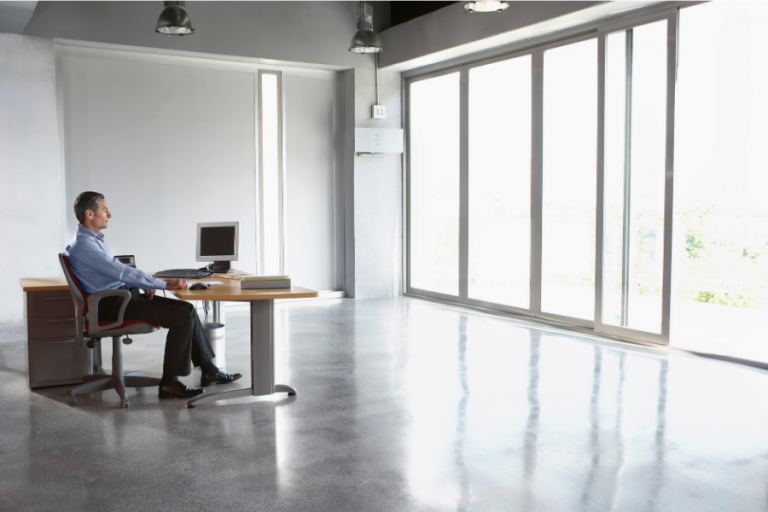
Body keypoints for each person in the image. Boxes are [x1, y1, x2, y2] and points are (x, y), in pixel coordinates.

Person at [64, 191, 242, 399]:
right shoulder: (85, 245)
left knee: (187, 309)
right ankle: (169, 383)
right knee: (181, 318)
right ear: (89, 214)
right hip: (114, 303)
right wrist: (162, 284)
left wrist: (143, 283)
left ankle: (210, 371)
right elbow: (120, 272)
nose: (109, 214)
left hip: (120, 296)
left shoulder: (90, 240)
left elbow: (113, 272)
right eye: (104, 209)